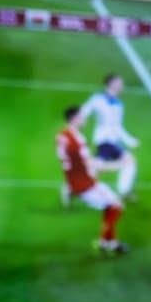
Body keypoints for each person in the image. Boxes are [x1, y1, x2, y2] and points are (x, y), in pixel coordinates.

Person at [56, 106, 129, 255]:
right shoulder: (77, 140)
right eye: (82, 117)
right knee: (116, 206)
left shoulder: (61, 136)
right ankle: (104, 242)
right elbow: (90, 163)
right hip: (85, 184)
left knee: (111, 205)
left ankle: (110, 243)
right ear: (75, 119)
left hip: (77, 179)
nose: (85, 119)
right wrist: (118, 165)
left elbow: (73, 161)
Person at [82, 73, 139, 196]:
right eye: (119, 83)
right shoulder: (98, 99)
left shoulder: (118, 104)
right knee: (129, 161)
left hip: (112, 141)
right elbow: (84, 111)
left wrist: (129, 140)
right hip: (104, 140)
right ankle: (124, 190)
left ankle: (77, 187)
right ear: (111, 84)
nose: (122, 85)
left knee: (98, 167)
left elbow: (117, 127)